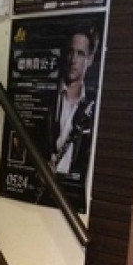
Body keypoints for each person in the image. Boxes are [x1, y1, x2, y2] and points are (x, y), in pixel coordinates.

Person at [49, 23, 100, 183]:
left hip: (73, 185)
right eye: (70, 52)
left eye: (80, 54)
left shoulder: (93, 105)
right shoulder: (48, 98)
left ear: (89, 59)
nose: (73, 60)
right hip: (46, 181)